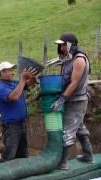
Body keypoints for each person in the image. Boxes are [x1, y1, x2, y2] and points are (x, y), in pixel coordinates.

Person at [52, 32, 94, 170]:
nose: (62, 48)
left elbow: (74, 82)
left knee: (68, 130)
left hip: (77, 99)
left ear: (71, 45)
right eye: (61, 46)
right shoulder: (68, 59)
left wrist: (62, 99)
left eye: (64, 45)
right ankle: (88, 156)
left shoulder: (79, 59)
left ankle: (63, 162)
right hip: (71, 98)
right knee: (79, 127)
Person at [0, 62, 37, 163]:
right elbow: (14, 96)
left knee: (22, 156)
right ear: (2, 73)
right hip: (11, 127)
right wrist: (23, 79)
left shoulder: (15, 83)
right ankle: (2, 176)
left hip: (22, 125)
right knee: (9, 157)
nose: (13, 73)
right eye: (10, 70)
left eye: (13, 70)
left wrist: (32, 75)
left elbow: (32, 82)